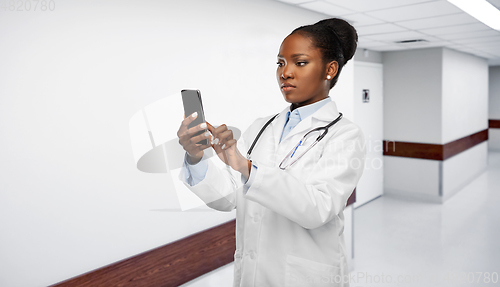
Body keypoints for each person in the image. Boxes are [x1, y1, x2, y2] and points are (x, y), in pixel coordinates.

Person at [177, 18, 365, 287]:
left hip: (305, 277)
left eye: (299, 62)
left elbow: (318, 209)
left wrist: (246, 168)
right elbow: (229, 198)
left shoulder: (345, 134)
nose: (285, 73)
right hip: (253, 273)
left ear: (330, 70)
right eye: (280, 63)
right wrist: (196, 158)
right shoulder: (261, 127)